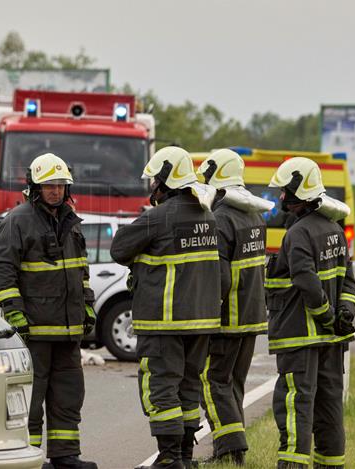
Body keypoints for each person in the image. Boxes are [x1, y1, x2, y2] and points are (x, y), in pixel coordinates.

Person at [110, 146, 221, 469]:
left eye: (154, 181)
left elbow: (119, 248)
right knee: (188, 384)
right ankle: (185, 455)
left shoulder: (158, 218)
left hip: (164, 321)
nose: (151, 188)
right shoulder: (208, 216)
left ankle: (170, 456)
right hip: (201, 322)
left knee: (159, 384)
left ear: (166, 180)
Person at [0, 153, 97, 469]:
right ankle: (29, 459)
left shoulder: (71, 222)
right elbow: (2, 270)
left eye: (61, 185)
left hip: (68, 331)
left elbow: (81, 270)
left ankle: (65, 457)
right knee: (30, 401)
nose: (56, 191)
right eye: (49, 185)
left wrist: (87, 306)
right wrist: (15, 313)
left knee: (68, 397)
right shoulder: (18, 220)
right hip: (34, 331)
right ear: (35, 186)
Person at [265, 157, 355, 469]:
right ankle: (331, 465)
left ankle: (292, 464)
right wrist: (344, 313)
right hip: (332, 340)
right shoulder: (334, 229)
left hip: (300, 336)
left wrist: (327, 316)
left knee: (296, 403)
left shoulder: (298, 234)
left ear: (298, 192)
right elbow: (349, 280)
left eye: (284, 191)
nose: (280, 198)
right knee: (329, 406)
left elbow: (307, 281)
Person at [195, 149, 274, 466]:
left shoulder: (221, 217)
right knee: (232, 385)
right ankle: (228, 448)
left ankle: (230, 450)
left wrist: (207, 317)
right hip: (252, 316)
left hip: (227, 319)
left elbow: (221, 278)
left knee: (213, 382)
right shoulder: (252, 214)